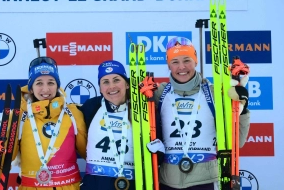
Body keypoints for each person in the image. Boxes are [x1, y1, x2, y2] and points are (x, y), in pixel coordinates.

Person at [152, 37, 250, 190]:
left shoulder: (214, 93)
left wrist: (242, 106)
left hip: (205, 180)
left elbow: (238, 141)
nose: (182, 67)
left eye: (187, 60)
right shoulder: (159, 93)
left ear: (196, 61)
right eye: (175, 62)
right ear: (168, 64)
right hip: (167, 180)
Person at [0, 56, 87, 190]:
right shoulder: (19, 116)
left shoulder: (73, 113)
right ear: (31, 88)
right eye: (39, 83)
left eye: (51, 82)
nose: (45, 89)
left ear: (57, 85)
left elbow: (90, 153)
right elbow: (3, 152)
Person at [78, 60, 136, 190]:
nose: (112, 86)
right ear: (100, 88)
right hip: (96, 184)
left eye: (116, 80)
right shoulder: (91, 107)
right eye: (105, 82)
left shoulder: (139, 108)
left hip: (130, 183)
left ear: (126, 84)